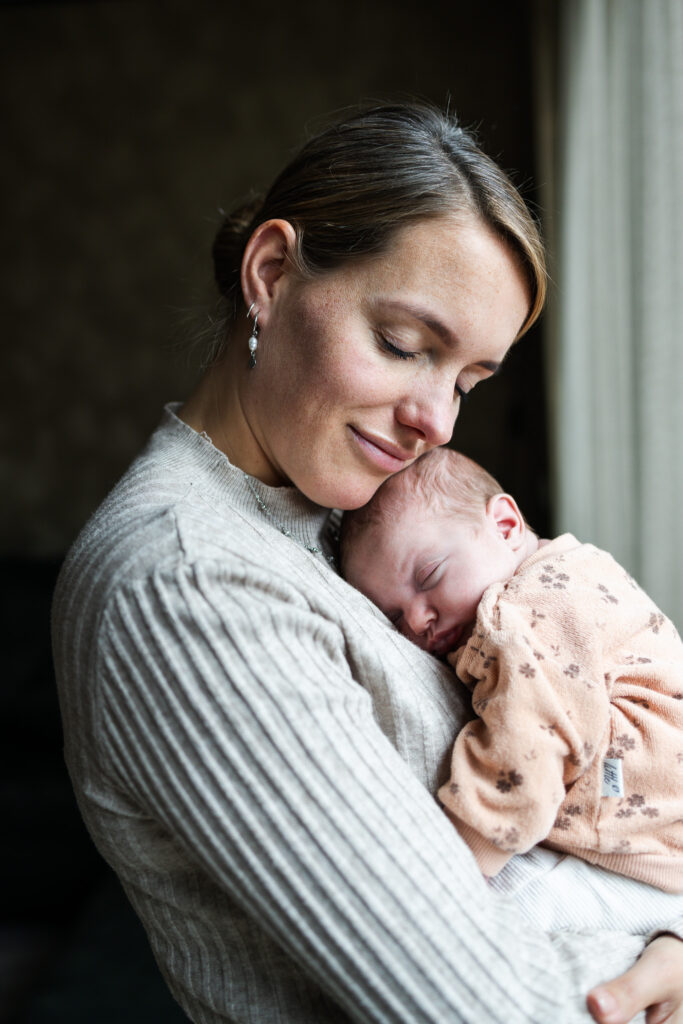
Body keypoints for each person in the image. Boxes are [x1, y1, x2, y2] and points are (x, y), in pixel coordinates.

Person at [51, 103, 683, 1024]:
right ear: (269, 275)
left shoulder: (331, 517)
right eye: (403, 345)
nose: (438, 422)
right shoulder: (184, 581)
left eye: (467, 380)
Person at [341, 447, 683, 904]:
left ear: (505, 526)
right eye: (395, 616)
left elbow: (529, 738)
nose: (419, 619)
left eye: (429, 576)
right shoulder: (571, 566)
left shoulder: (524, 610)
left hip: (651, 820)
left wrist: (464, 855)